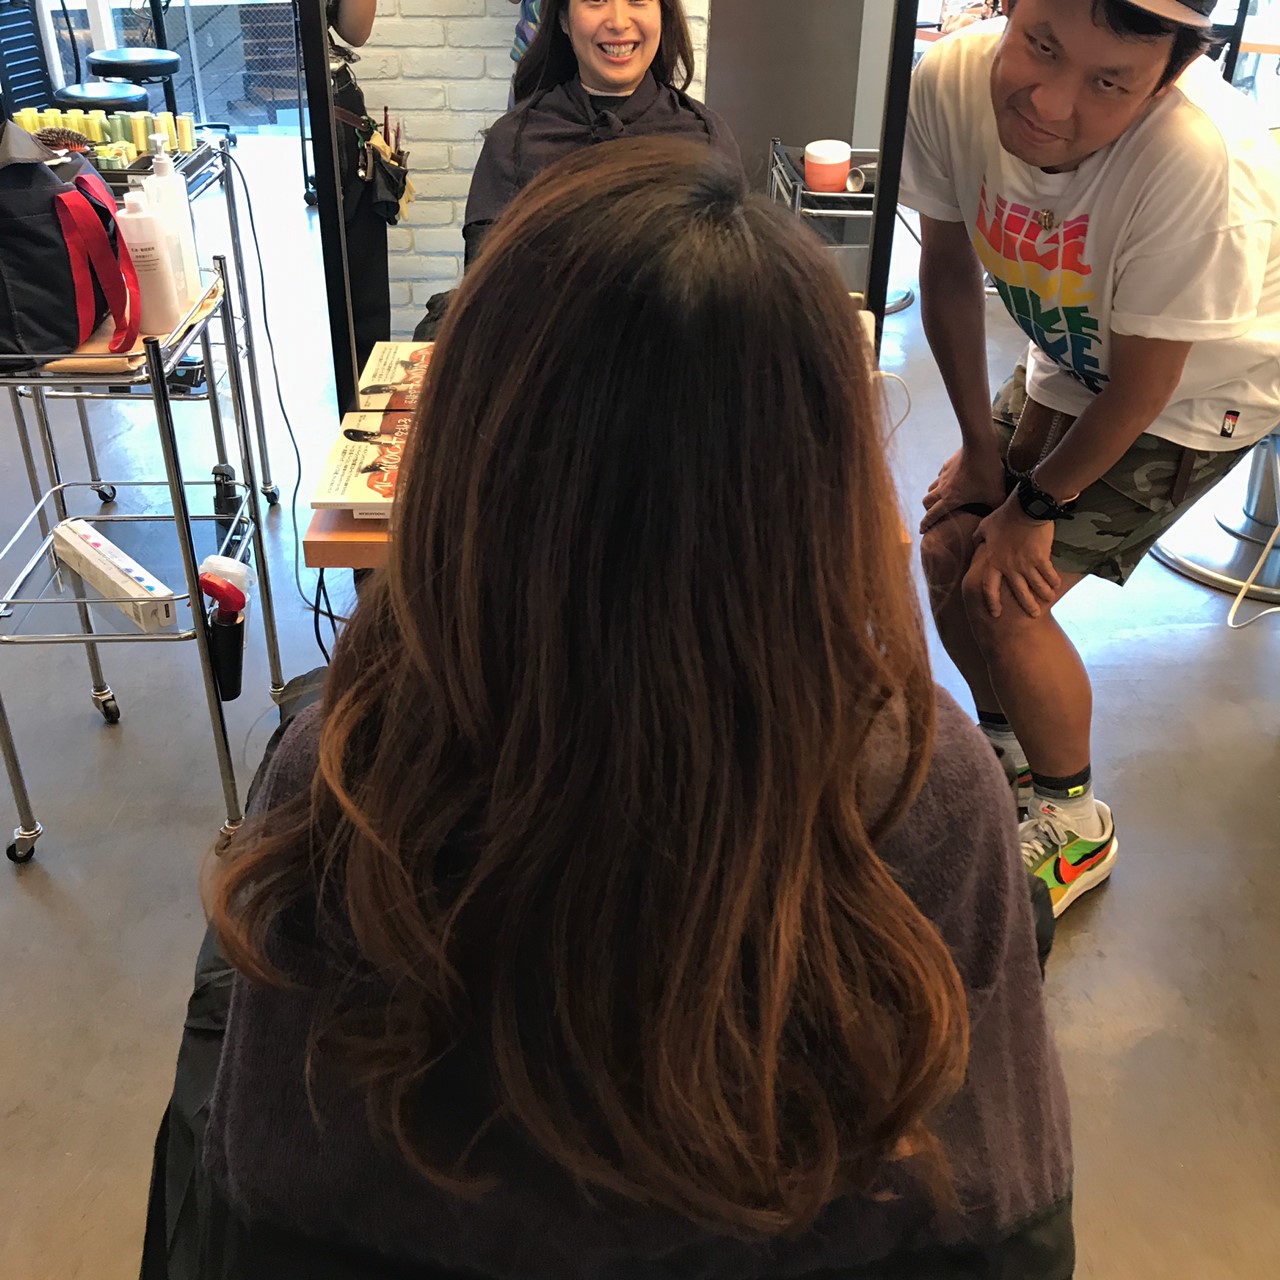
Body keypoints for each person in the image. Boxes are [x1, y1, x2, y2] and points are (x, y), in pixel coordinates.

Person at [147, 137, 1074, 1280]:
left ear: (470, 452)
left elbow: (256, 1197)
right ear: (819, 473)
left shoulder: (350, 764)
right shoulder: (923, 784)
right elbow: (1003, 1216)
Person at [903, 0, 1280, 917]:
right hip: (1073, 351)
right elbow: (946, 269)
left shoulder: (1199, 160)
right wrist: (982, 456)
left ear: (1168, 76)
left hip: (1198, 391)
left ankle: (1076, 825)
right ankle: (1006, 753)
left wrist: (1032, 509)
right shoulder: (952, 80)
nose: (1049, 103)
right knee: (951, 544)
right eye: (1040, 46)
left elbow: (1146, 384)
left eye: (1108, 81)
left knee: (1005, 592)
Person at [463, 0, 742, 268]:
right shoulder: (512, 141)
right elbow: (487, 292)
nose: (618, 22)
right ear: (563, 18)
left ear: (662, 13)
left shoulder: (706, 137)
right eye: (596, 0)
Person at [327, 0, 391, 371]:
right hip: (259, 104)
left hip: (334, 99)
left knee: (362, 289)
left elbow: (355, 31)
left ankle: (363, 396)